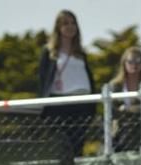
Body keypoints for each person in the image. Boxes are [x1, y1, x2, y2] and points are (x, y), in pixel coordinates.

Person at [38, 10, 97, 156]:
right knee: (61, 147)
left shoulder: (81, 52)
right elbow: (43, 78)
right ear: (58, 27)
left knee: (78, 145)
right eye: (65, 23)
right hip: (59, 103)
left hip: (82, 102)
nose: (70, 27)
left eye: (73, 23)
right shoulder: (49, 52)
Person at [110, 47, 141, 152]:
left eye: (138, 61)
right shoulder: (115, 86)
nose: (134, 65)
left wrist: (126, 108)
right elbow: (112, 110)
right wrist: (135, 108)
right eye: (130, 61)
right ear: (124, 63)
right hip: (119, 133)